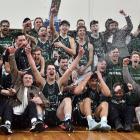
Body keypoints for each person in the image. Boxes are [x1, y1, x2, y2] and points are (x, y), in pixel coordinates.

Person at [26, 45, 84, 132]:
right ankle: (40, 122)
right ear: (46, 72)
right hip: (45, 113)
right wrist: (28, 54)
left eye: (53, 69)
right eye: (49, 69)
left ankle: (67, 122)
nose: (51, 70)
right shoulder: (42, 82)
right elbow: (34, 69)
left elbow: (70, 69)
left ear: (55, 72)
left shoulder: (59, 82)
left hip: (57, 115)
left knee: (67, 99)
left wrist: (79, 55)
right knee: (37, 100)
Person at [0, 47, 48, 134]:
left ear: (32, 81)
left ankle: (34, 123)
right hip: (12, 117)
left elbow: (47, 103)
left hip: (25, 119)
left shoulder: (36, 89)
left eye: (30, 78)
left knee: (32, 103)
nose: (28, 79)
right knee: (8, 104)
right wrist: (11, 55)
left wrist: (41, 101)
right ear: (22, 79)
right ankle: (7, 125)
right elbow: (14, 69)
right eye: (26, 78)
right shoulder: (17, 84)